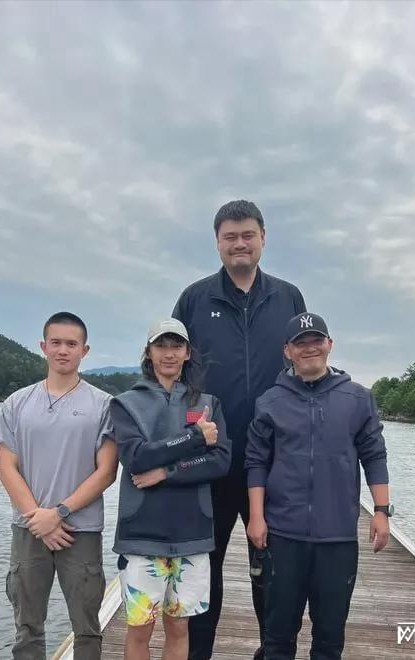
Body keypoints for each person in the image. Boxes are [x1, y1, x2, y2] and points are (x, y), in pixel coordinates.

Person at [172, 200, 307, 660]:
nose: (239, 244)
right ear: (217, 243)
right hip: (209, 460)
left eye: (248, 235)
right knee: (202, 570)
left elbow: (305, 369)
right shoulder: (194, 300)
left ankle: (271, 652)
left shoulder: (288, 298)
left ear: (263, 238)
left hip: (273, 462)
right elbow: (169, 371)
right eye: (229, 237)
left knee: (272, 572)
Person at [245, 312, 391, 660]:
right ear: (288, 351)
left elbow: (374, 455)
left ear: (329, 344)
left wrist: (382, 511)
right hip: (283, 535)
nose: (309, 348)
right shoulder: (270, 402)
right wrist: (256, 517)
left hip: (337, 538)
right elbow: (256, 462)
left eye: (316, 340)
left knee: (329, 638)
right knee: (278, 637)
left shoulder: (358, 399)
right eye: (301, 343)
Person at [0, 312, 118, 660]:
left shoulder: (103, 405)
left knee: (87, 626)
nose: (63, 350)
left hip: (80, 530)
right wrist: (38, 518)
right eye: (56, 343)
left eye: (71, 344)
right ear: (43, 346)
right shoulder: (17, 403)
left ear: (84, 350)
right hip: (28, 529)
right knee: (27, 626)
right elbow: (7, 468)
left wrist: (59, 513)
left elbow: (106, 471)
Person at [110, 318, 231, 660]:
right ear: (148, 352)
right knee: (139, 630)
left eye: (176, 346)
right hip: (141, 537)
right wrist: (194, 438)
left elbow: (220, 461)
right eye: (160, 346)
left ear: (187, 353)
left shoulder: (208, 403)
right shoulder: (125, 403)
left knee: (179, 628)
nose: (169, 353)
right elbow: (135, 458)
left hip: (193, 536)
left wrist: (167, 471)